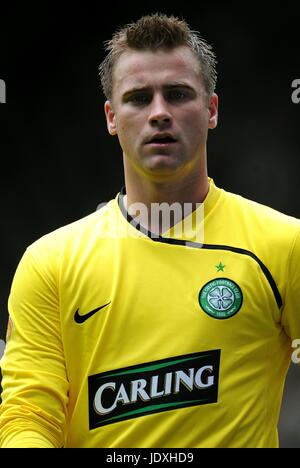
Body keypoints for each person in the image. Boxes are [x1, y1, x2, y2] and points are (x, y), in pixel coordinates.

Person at [0, 13, 299, 449]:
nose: (160, 112)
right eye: (139, 98)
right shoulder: (51, 264)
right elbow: (28, 414)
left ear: (211, 109)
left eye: (177, 95)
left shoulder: (283, 245)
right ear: (112, 118)